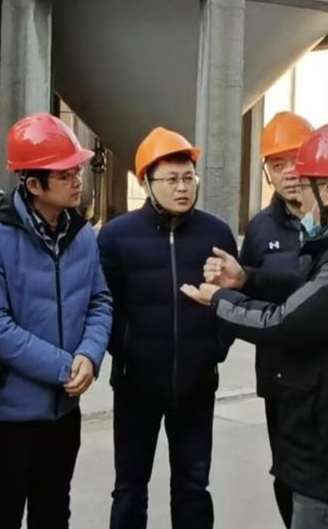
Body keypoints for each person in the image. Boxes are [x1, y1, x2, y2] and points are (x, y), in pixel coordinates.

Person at [183, 122, 328, 529]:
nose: (301, 198)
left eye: (306, 185)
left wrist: (219, 300)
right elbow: (311, 290)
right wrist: (247, 279)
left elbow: (286, 322)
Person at [0, 113, 112, 529]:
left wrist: (90, 355)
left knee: (54, 513)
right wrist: (66, 367)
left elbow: (100, 301)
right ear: (33, 185)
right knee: (0, 515)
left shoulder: (82, 236)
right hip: (7, 417)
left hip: (63, 414)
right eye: (66, 175)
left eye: (77, 170)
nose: (78, 180)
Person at [98, 127, 238, 529]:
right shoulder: (117, 236)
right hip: (136, 385)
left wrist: (215, 347)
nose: (182, 187)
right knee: (129, 488)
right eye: (172, 179)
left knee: (193, 486)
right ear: (146, 181)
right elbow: (103, 304)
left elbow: (233, 298)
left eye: (188, 177)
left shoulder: (216, 233)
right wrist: (126, 349)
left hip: (197, 385)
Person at [240, 111, 313, 528]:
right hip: (280, 375)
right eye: (277, 164)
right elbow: (246, 295)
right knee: (285, 472)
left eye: (297, 159)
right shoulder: (260, 229)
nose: (289, 172)